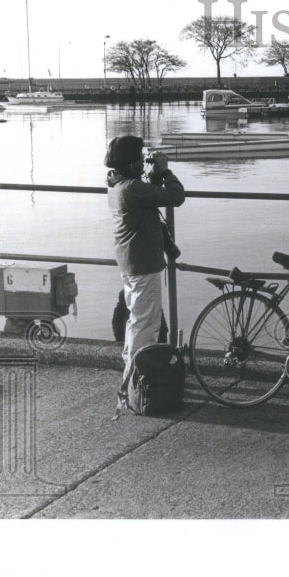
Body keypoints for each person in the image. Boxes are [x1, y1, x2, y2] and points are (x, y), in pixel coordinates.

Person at [105, 135, 185, 410]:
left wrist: (151, 179)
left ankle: (130, 378)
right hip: (144, 266)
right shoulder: (131, 189)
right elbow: (176, 197)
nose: (144, 160)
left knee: (136, 322)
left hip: (131, 264)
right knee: (146, 327)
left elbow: (145, 198)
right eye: (140, 157)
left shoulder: (119, 186)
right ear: (130, 162)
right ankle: (137, 386)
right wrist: (165, 171)